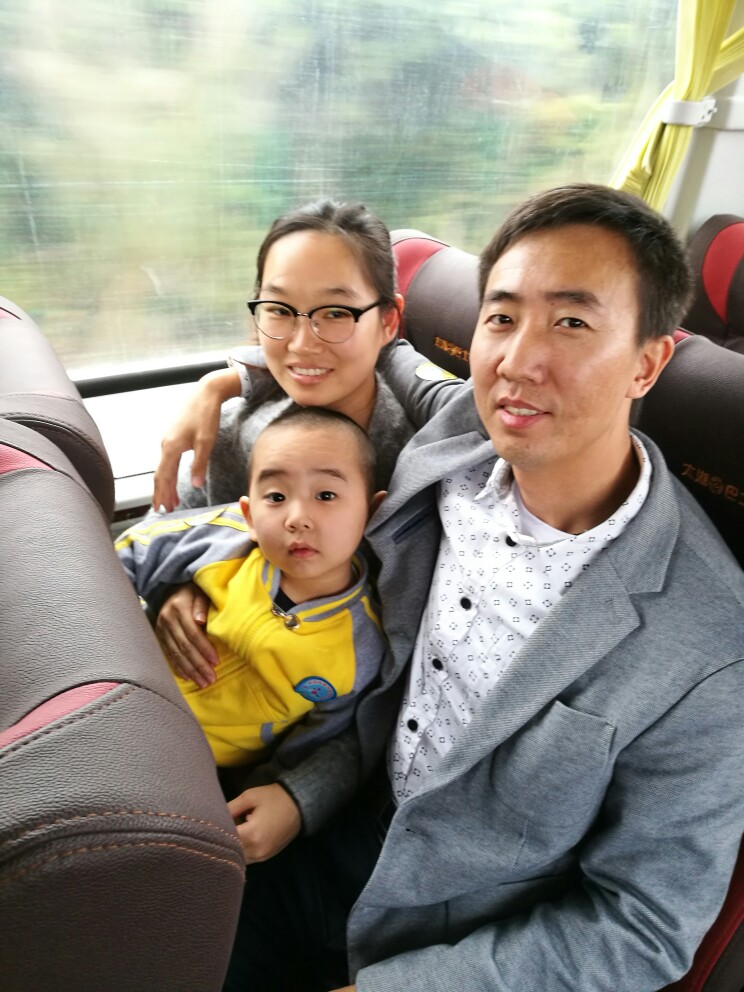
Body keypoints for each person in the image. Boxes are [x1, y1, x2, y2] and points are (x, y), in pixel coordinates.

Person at [219, 183, 744, 992]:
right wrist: (227, 382)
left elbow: (643, 926)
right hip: (342, 817)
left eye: (571, 323)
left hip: (466, 931)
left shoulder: (707, 644)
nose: (516, 362)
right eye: (501, 317)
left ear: (646, 363)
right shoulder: (458, 437)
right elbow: (357, 351)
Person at [151, 198, 416, 687]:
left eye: (335, 312)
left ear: (388, 321)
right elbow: (165, 532)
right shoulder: (234, 426)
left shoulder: (409, 474)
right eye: (279, 310)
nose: (301, 343)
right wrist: (177, 586)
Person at [116, 405, 386, 863]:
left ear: (372, 512)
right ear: (248, 513)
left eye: (325, 495)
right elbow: (121, 557)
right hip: (121, 698)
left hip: (197, 773)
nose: (297, 517)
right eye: (276, 497)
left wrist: (261, 794)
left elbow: (320, 739)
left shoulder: (360, 646)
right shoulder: (222, 544)